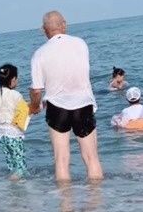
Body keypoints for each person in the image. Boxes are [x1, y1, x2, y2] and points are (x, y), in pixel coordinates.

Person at [29, 10, 103, 182]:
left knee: (61, 160)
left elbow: (37, 90)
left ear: (43, 30)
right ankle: (96, 197)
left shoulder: (39, 54)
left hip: (56, 107)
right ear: (64, 25)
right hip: (83, 104)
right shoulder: (80, 44)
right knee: (91, 158)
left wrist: (34, 106)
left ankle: (65, 199)